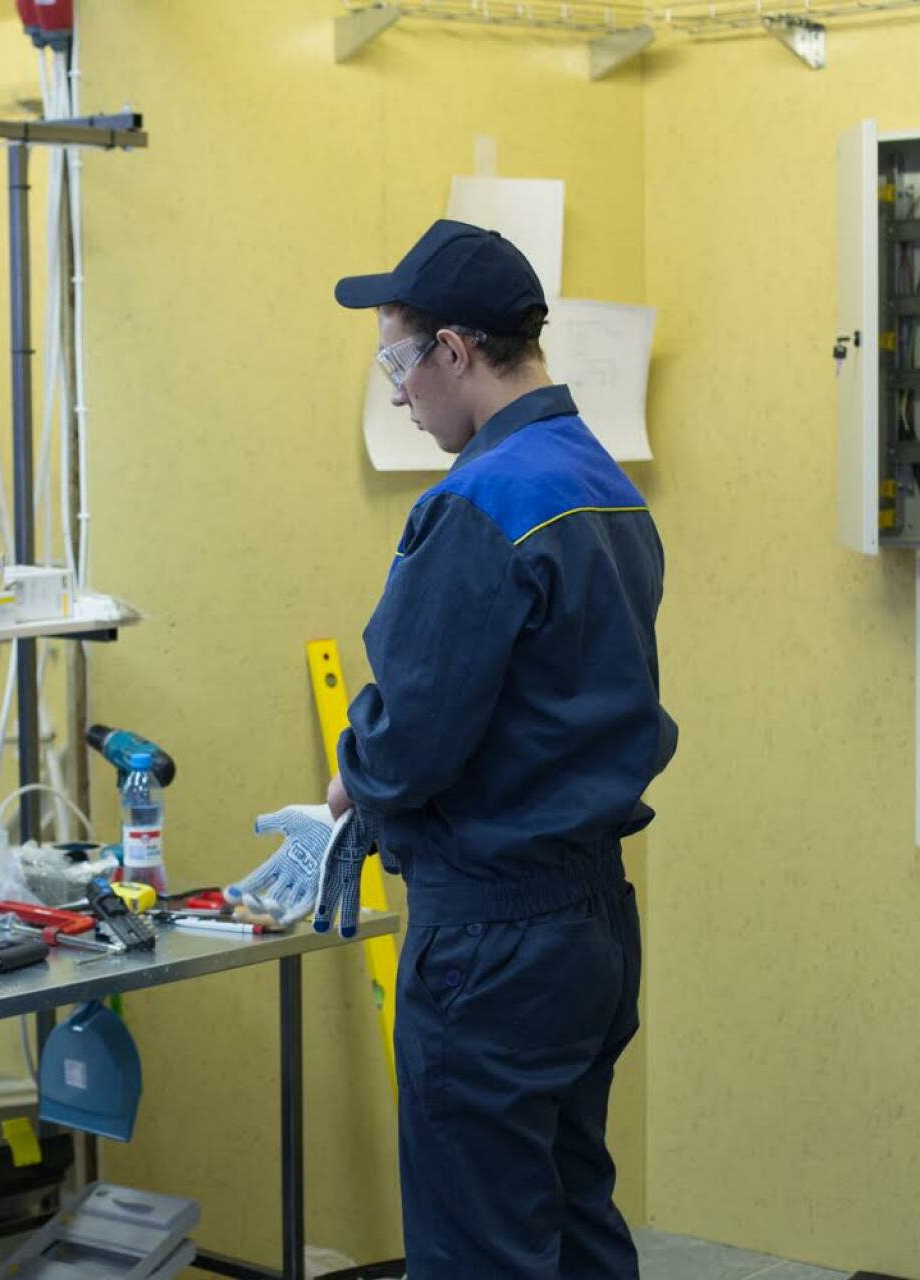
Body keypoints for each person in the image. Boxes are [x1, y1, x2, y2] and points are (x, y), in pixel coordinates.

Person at [234, 219, 676, 1279]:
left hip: (490, 942)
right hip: (591, 926)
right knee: (574, 1217)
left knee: (479, 1246)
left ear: (456, 350)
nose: (398, 396)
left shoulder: (478, 504)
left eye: (398, 365)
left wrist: (351, 782)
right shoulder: (606, 484)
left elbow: (412, 737)